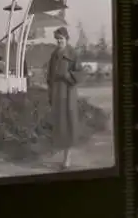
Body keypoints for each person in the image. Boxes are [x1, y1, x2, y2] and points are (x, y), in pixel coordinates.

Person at [47, 26, 83, 169]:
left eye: (61, 39)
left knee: (68, 124)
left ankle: (67, 158)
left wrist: (67, 76)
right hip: (57, 94)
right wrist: (50, 92)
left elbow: (80, 73)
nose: (59, 42)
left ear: (67, 38)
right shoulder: (54, 54)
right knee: (60, 124)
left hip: (68, 94)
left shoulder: (73, 53)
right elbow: (49, 76)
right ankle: (63, 155)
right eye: (57, 40)